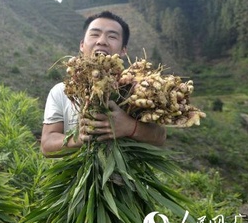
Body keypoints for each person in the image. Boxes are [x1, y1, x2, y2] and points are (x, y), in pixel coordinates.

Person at [41, 10, 166, 157]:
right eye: (94, 34)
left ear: (123, 50)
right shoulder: (61, 91)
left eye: (112, 36)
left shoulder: (138, 89)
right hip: (75, 179)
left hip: (125, 179)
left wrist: (129, 127)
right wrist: (78, 139)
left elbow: (160, 137)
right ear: (82, 45)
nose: (102, 41)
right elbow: (46, 145)